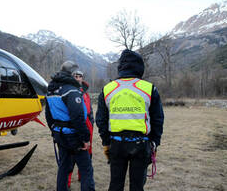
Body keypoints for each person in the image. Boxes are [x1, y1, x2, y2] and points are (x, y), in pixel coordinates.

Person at [96, 49, 164, 191]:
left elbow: (101, 120)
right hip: (141, 144)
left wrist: (106, 142)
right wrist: (155, 142)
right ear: (140, 66)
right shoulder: (149, 88)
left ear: (120, 67)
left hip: (116, 144)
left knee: (115, 184)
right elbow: (158, 119)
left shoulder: (107, 89)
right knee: (137, 186)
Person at [45, 61, 95, 191]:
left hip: (60, 134)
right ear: (72, 73)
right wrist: (85, 139)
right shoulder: (71, 90)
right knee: (86, 169)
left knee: (63, 167)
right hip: (74, 136)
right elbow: (78, 117)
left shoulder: (51, 90)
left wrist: (54, 132)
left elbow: (49, 116)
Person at [68, 70, 94, 189]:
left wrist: (92, 122)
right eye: (75, 76)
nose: (78, 78)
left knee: (87, 152)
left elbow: (90, 110)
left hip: (87, 125)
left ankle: (82, 177)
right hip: (74, 124)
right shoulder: (69, 91)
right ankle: (67, 182)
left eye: (80, 76)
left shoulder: (85, 93)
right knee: (72, 155)